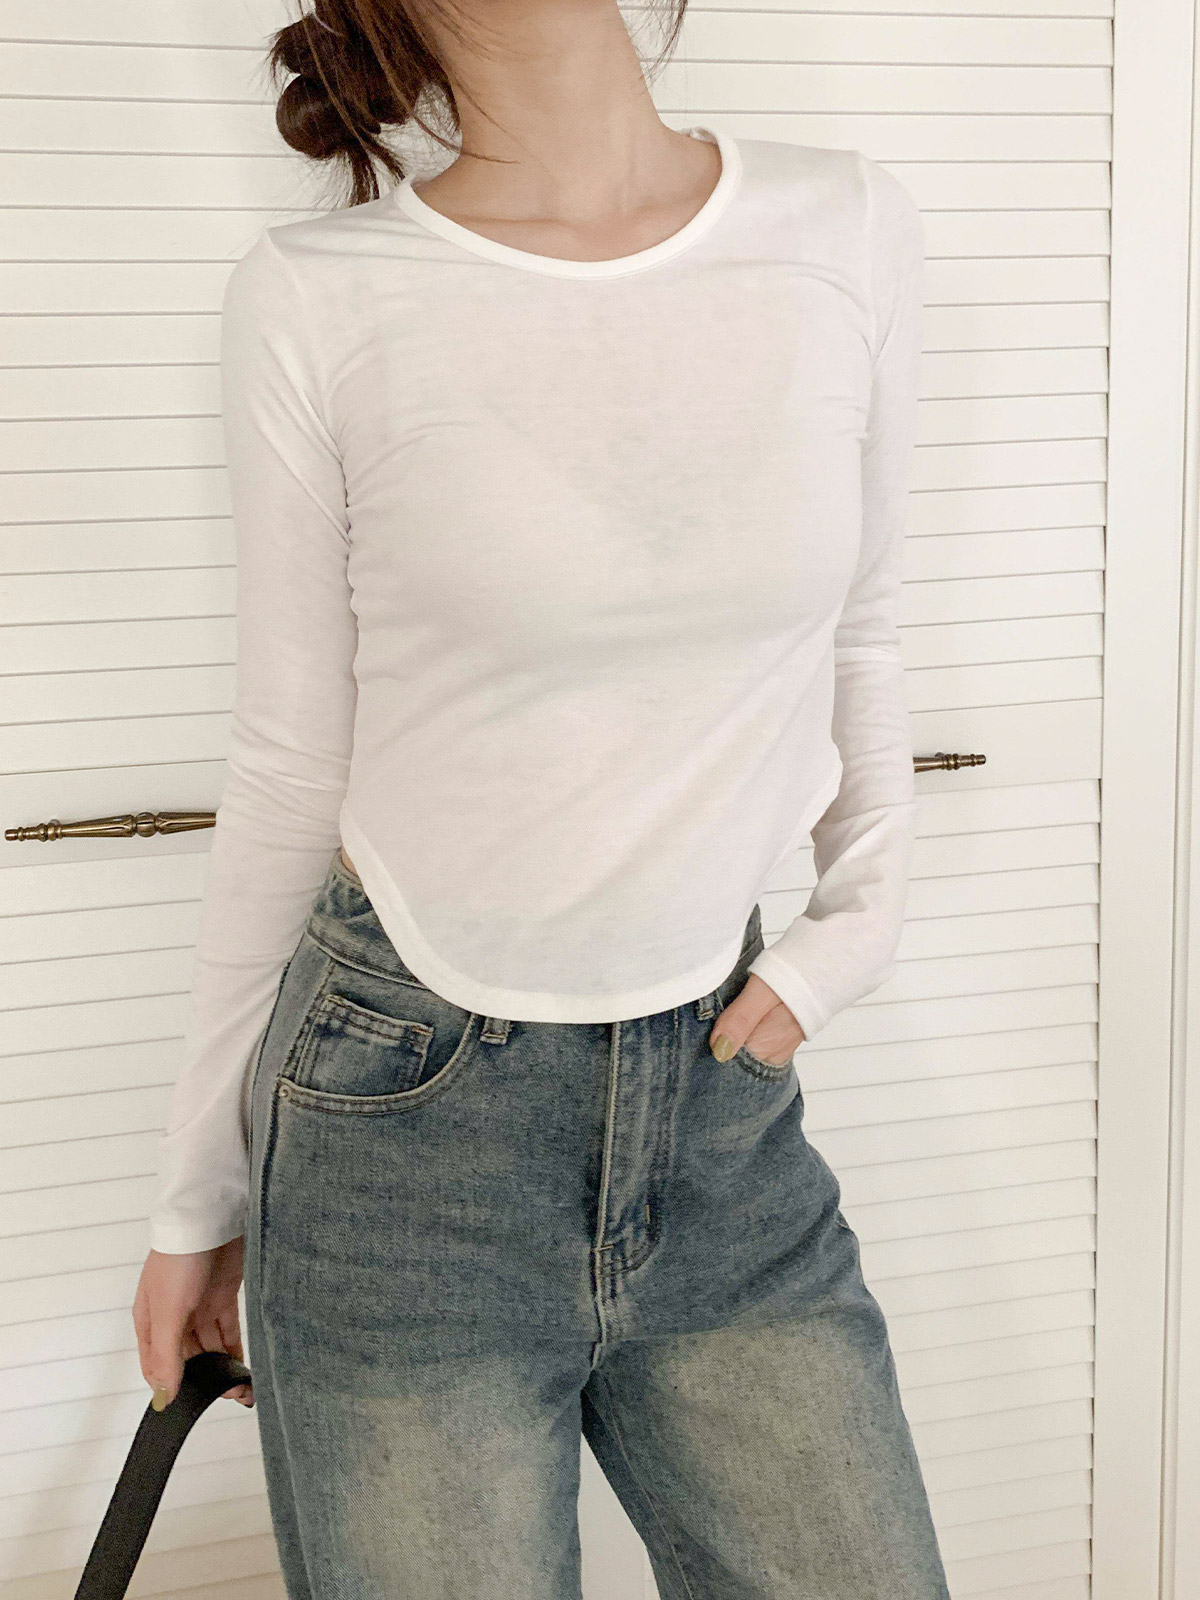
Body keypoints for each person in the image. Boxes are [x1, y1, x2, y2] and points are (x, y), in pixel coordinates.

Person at [132, 0, 949, 1593]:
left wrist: (853, 932)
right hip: (399, 1124)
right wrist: (198, 1196)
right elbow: (290, 763)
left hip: (724, 1120)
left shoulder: (845, 226)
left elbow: (865, 629)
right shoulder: (318, 293)